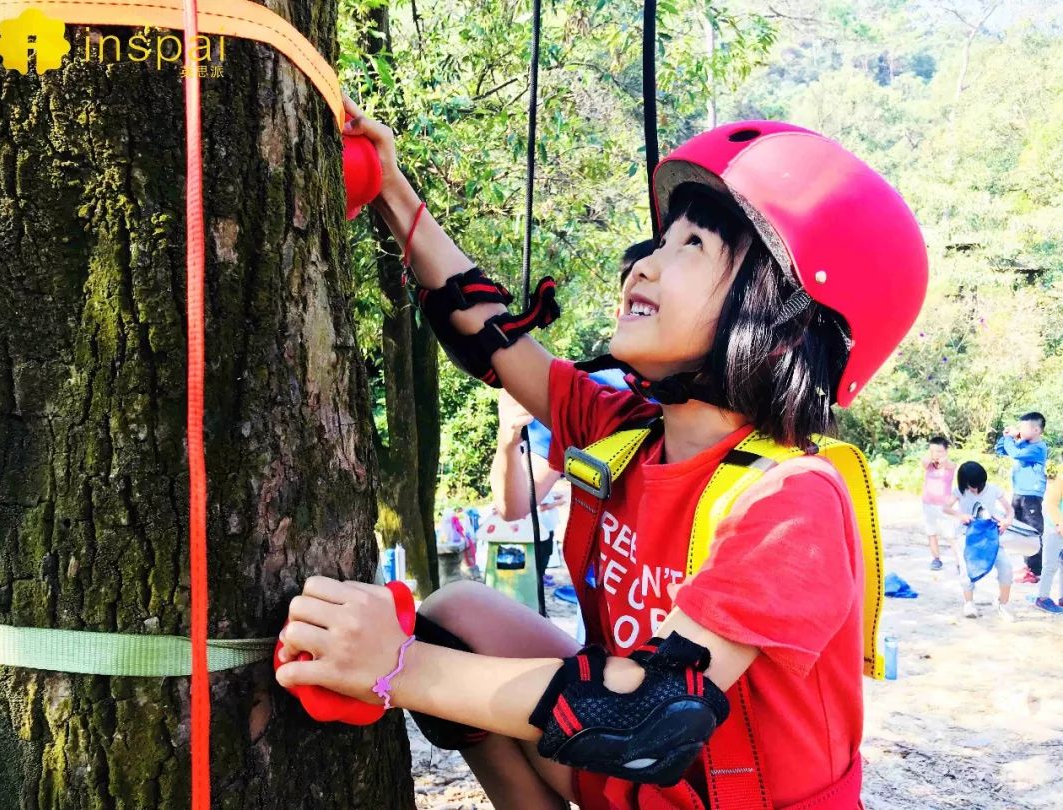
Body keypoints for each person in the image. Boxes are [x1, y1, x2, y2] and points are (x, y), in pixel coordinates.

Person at [276, 107, 927, 809]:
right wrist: (392, 189)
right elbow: (494, 340)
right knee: (458, 616)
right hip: (633, 777)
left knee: (536, 684)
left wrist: (394, 668)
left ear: (779, 321)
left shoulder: (790, 500)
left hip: (696, 773)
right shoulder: (626, 432)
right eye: (659, 240)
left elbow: (648, 713)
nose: (642, 263)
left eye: (693, 246)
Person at [490, 241, 654, 522]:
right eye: (636, 305)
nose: (648, 275)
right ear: (619, 317)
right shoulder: (585, 392)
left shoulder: (721, 403)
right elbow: (514, 506)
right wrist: (508, 435)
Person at [945, 461, 1015, 621]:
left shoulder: (994, 490)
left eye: (978, 485)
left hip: (990, 535)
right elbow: (946, 507)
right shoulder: (959, 491)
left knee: (1006, 567)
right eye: (971, 486)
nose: (975, 489)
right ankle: (969, 603)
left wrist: (1006, 521)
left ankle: (1002, 604)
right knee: (966, 570)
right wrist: (960, 515)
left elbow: (1010, 511)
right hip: (966, 535)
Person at [995, 412, 1048, 583]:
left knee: (1033, 531)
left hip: (1031, 495)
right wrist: (1006, 438)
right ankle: (1028, 567)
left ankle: (1036, 571)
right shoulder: (1022, 443)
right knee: (1020, 529)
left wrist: (1012, 439)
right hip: (1019, 492)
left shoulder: (1038, 447)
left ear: (1035, 430)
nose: (1020, 429)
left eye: (1023, 427)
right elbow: (1001, 450)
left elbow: (1015, 454)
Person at [921, 436, 956, 570]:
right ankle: (936, 559)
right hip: (928, 504)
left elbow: (948, 464)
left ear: (946, 451)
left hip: (944, 507)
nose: (936, 454)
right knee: (931, 532)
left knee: (951, 535)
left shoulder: (950, 465)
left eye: (940, 451)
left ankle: (959, 562)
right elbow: (924, 462)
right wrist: (933, 456)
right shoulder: (929, 464)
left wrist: (942, 459)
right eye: (933, 451)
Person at [1033, 461, 1063, 614]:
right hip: (1056, 528)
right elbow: (1050, 504)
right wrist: (1059, 523)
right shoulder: (1060, 477)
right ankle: (1042, 598)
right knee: (1050, 565)